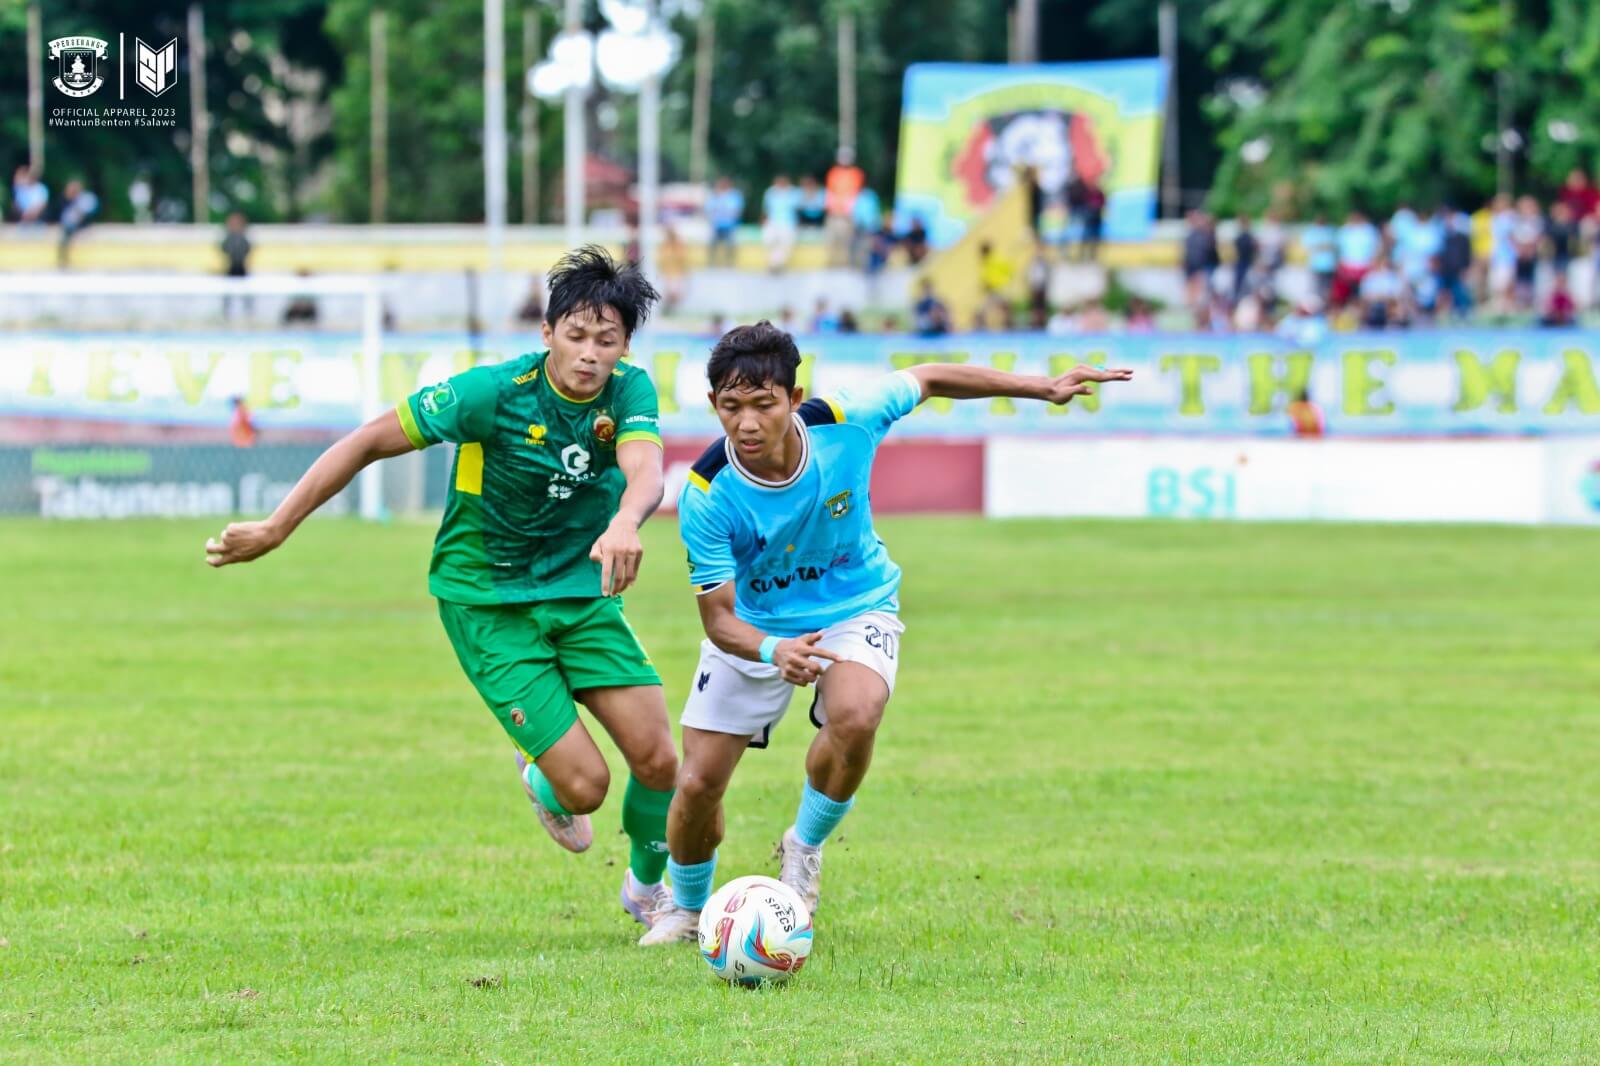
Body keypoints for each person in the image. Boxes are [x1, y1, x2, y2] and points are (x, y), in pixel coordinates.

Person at [204, 247, 681, 931]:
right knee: (587, 788)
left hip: (580, 589)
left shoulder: (629, 391)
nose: (589, 354)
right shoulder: (491, 393)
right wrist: (278, 527)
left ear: (625, 345)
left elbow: (644, 471)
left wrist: (627, 522)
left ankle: (647, 890)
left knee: (659, 759)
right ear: (546, 332)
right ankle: (543, 773)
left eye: (606, 340)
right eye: (575, 335)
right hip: (486, 599)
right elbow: (367, 441)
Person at [636, 324, 1133, 944]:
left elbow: (930, 377)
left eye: (764, 404)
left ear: (794, 398)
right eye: (731, 407)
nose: (748, 423)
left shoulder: (847, 421)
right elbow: (718, 619)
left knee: (858, 712)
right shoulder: (708, 494)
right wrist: (772, 649)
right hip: (757, 629)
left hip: (856, 606)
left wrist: (1041, 387)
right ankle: (686, 910)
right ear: (714, 405)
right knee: (698, 784)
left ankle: (803, 849)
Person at [824, 148, 865, 267]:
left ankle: (847, 262)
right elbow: (830, 191)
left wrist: (850, 208)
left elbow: (855, 193)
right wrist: (830, 206)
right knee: (832, 237)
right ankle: (832, 261)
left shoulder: (856, 173)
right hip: (834, 211)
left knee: (847, 238)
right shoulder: (833, 172)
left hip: (849, 212)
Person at [56, 179, 99, 269]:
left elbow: (83, 215)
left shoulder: (86, 199)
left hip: (82, 225)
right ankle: (63, 259)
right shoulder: (66, 202)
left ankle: (64, 259)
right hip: (72, 226)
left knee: (66, 235)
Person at [761, 175, 800, 273]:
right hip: (773, 222)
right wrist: (764, 220)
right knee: (769, 241)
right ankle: (774, 263)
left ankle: (777, 264)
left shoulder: (793, 193)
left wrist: (797, 223)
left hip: (788, 223)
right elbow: (766, 208)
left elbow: (798, 210)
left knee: (785, 244)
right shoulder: (770, 192)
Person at [705, 177, 744, 268]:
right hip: (717, 224)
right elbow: (709, 209)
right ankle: (711, 262)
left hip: (729, 224)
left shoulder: (734, 195)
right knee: (712, 243)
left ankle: (729, 262)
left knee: (730, 244)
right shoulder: (715, 195)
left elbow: (736, 210)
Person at [221, 212, 253, 320]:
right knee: (228, 293)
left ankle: (248, 312)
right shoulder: (229, 239)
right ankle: (226, 313)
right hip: (231, 268)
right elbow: (224, 249)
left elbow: (247, 249)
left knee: (246, 293)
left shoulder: (243, 239)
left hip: (241, 268)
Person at [1300, 212, 1337, 302]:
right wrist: (1324, 246)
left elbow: (1333, 246)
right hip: (1316, 265)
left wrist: (1322, 247)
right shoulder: (1311, 231)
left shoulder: (1331, 231)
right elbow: (1309, 246)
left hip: (1329, 265)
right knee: (1316, 288)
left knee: (1327, 288)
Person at [657, 226, 690, 314]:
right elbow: (662, 260)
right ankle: (667, 310)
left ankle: (671, 309)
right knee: (670, 293)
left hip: (677, 273)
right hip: (669, 274)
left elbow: (683, 260)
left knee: (675, 294)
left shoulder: (679, 245)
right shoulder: (665, 246)